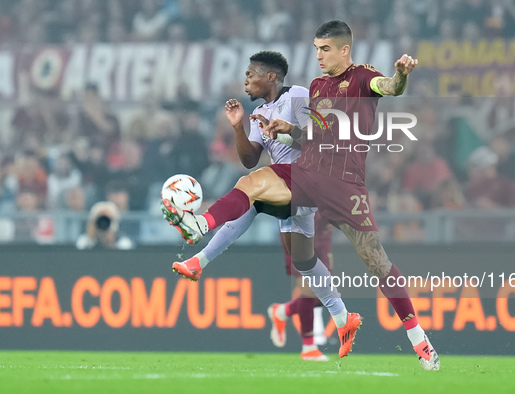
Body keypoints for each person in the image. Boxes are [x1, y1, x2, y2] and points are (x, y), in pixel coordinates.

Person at [164, 20, 439, 370]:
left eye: (325, 49)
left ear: (344, 49)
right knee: (254, 182)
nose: (319, 56)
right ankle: (200, 225)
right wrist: (287, 131)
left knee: (376, 261)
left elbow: (391, 87)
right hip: (310, 171)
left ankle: (420, 342)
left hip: (345, 183)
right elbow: (315, 137)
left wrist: (402, 75)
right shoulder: (318, 86)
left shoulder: (362, 77)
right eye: (316, 49)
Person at [165, 51, 330, 361]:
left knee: (253, 196)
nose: (245, 80)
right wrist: (239, 127)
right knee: (306, 271)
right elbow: (249, 158)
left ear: (271, 76)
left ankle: (202, 240)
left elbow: (319, 139)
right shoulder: (259, 112)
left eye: (251, 73)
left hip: (312, 184)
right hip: (290, 193)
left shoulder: (297, 96)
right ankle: (312, 339)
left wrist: (288, 129)